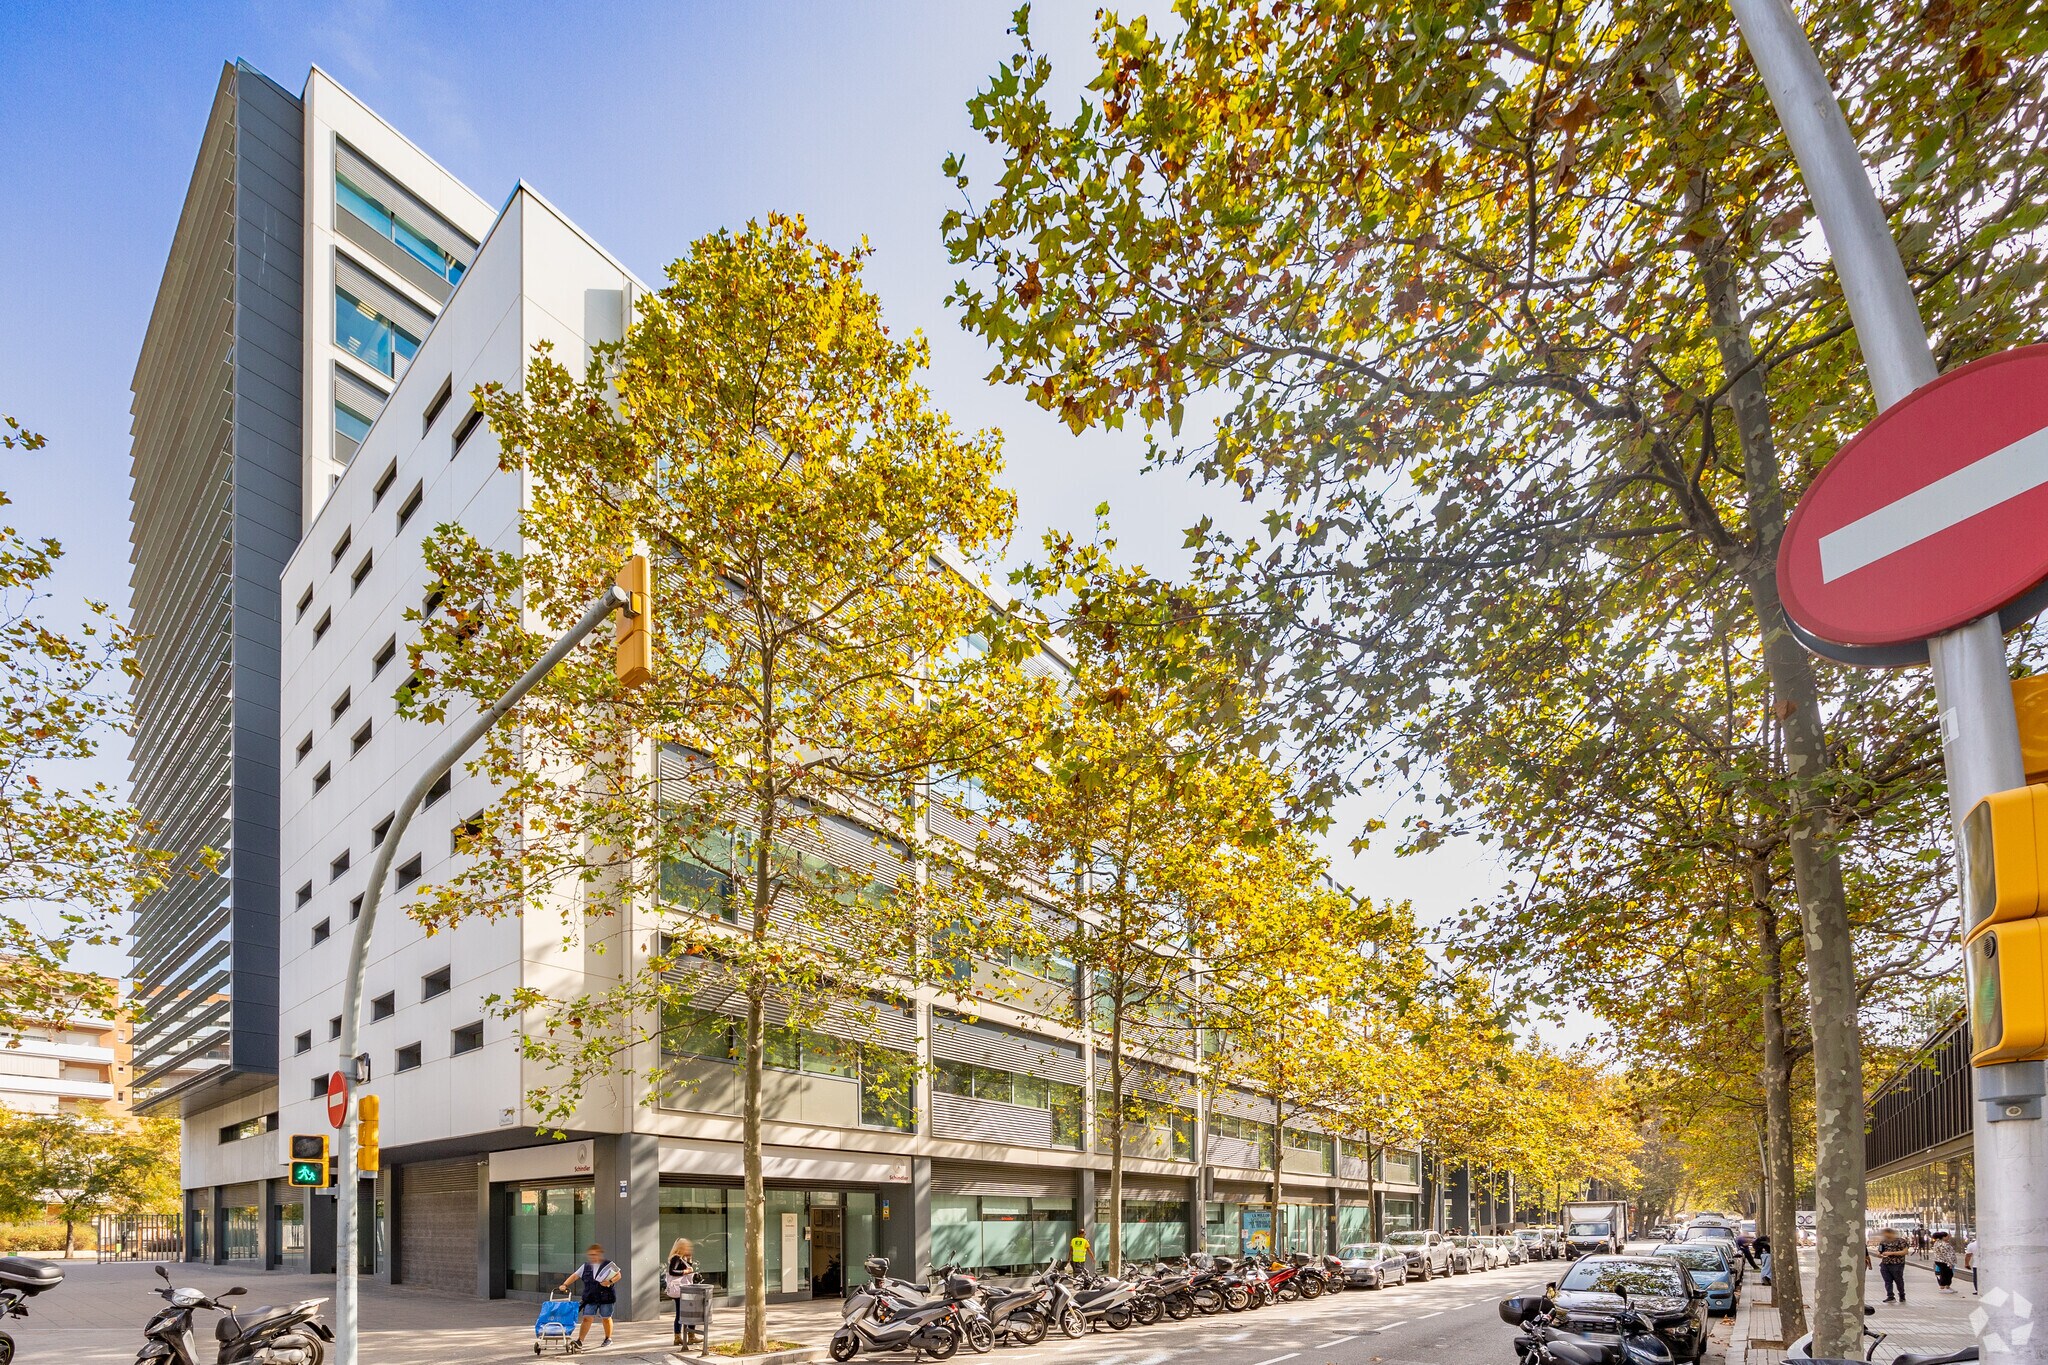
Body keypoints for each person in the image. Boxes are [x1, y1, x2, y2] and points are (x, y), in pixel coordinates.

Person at [559, 1243, 622, 1350]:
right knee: (587, 1318)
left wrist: (609, 1282)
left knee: (606, 1318)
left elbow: (618, 1275)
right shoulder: (585, 1266)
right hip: (590, 1297)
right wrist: (564, 1284)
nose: (592, 1256)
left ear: (600, 1254)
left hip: (606, 1297)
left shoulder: (608, 1264)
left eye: (595, 1254)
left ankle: (608, 1338)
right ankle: (580, 1341)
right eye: (590, 1255)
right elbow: (575, 1276)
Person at [666, 1237, 697, 1347]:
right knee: (681, 1312)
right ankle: (680, 1336)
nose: (688, 1249)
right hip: (679, 1290)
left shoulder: (682, 1259)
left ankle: (687, 1336)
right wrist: (685, 1271)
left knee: (687, 1312)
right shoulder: (676, 1258)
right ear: (681, 1247)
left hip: (684, 1289)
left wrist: (689, 1262)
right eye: (686, 1247)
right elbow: (672, 1271)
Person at [1876, 1228, 1910, 1304]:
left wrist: (1891, 1253)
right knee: (1887, 1281)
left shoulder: (1901, 1241)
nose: (1884, 1235)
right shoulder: (1883, 1242)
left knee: (1898, 1280)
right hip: (1885, 1264)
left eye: (1885, 1233)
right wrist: (1879, 1254)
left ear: (1890, 1233)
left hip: (1897, 1264)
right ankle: (1890, 1296)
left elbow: (1905, 1252)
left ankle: (1902, 1295)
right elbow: (1880, 1251)